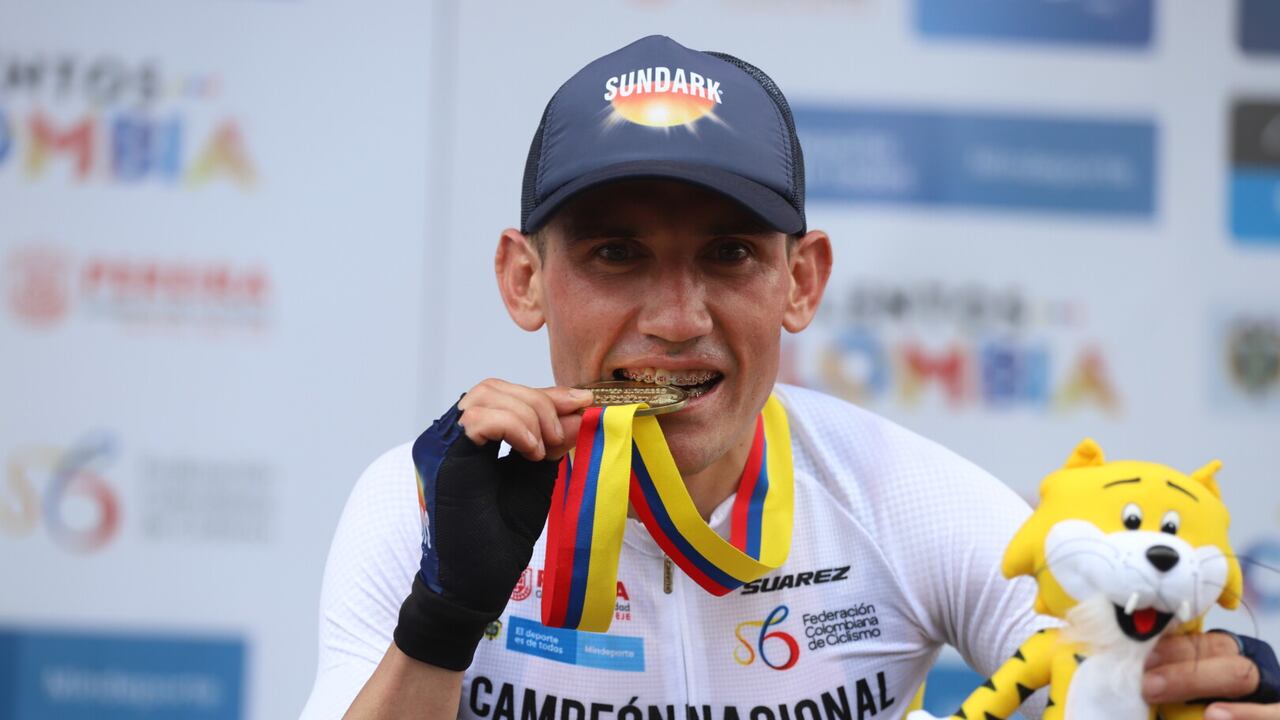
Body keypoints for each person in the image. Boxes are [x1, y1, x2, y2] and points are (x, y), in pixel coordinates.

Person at [299, 35, 1280, 720]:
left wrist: (1220, 683)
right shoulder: (419, 503)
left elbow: (1123, 673)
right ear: (525, 280)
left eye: (728, 254)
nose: (678, 318)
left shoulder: (895, 497)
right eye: (614, 254)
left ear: (800, 281)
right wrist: (441, 623)